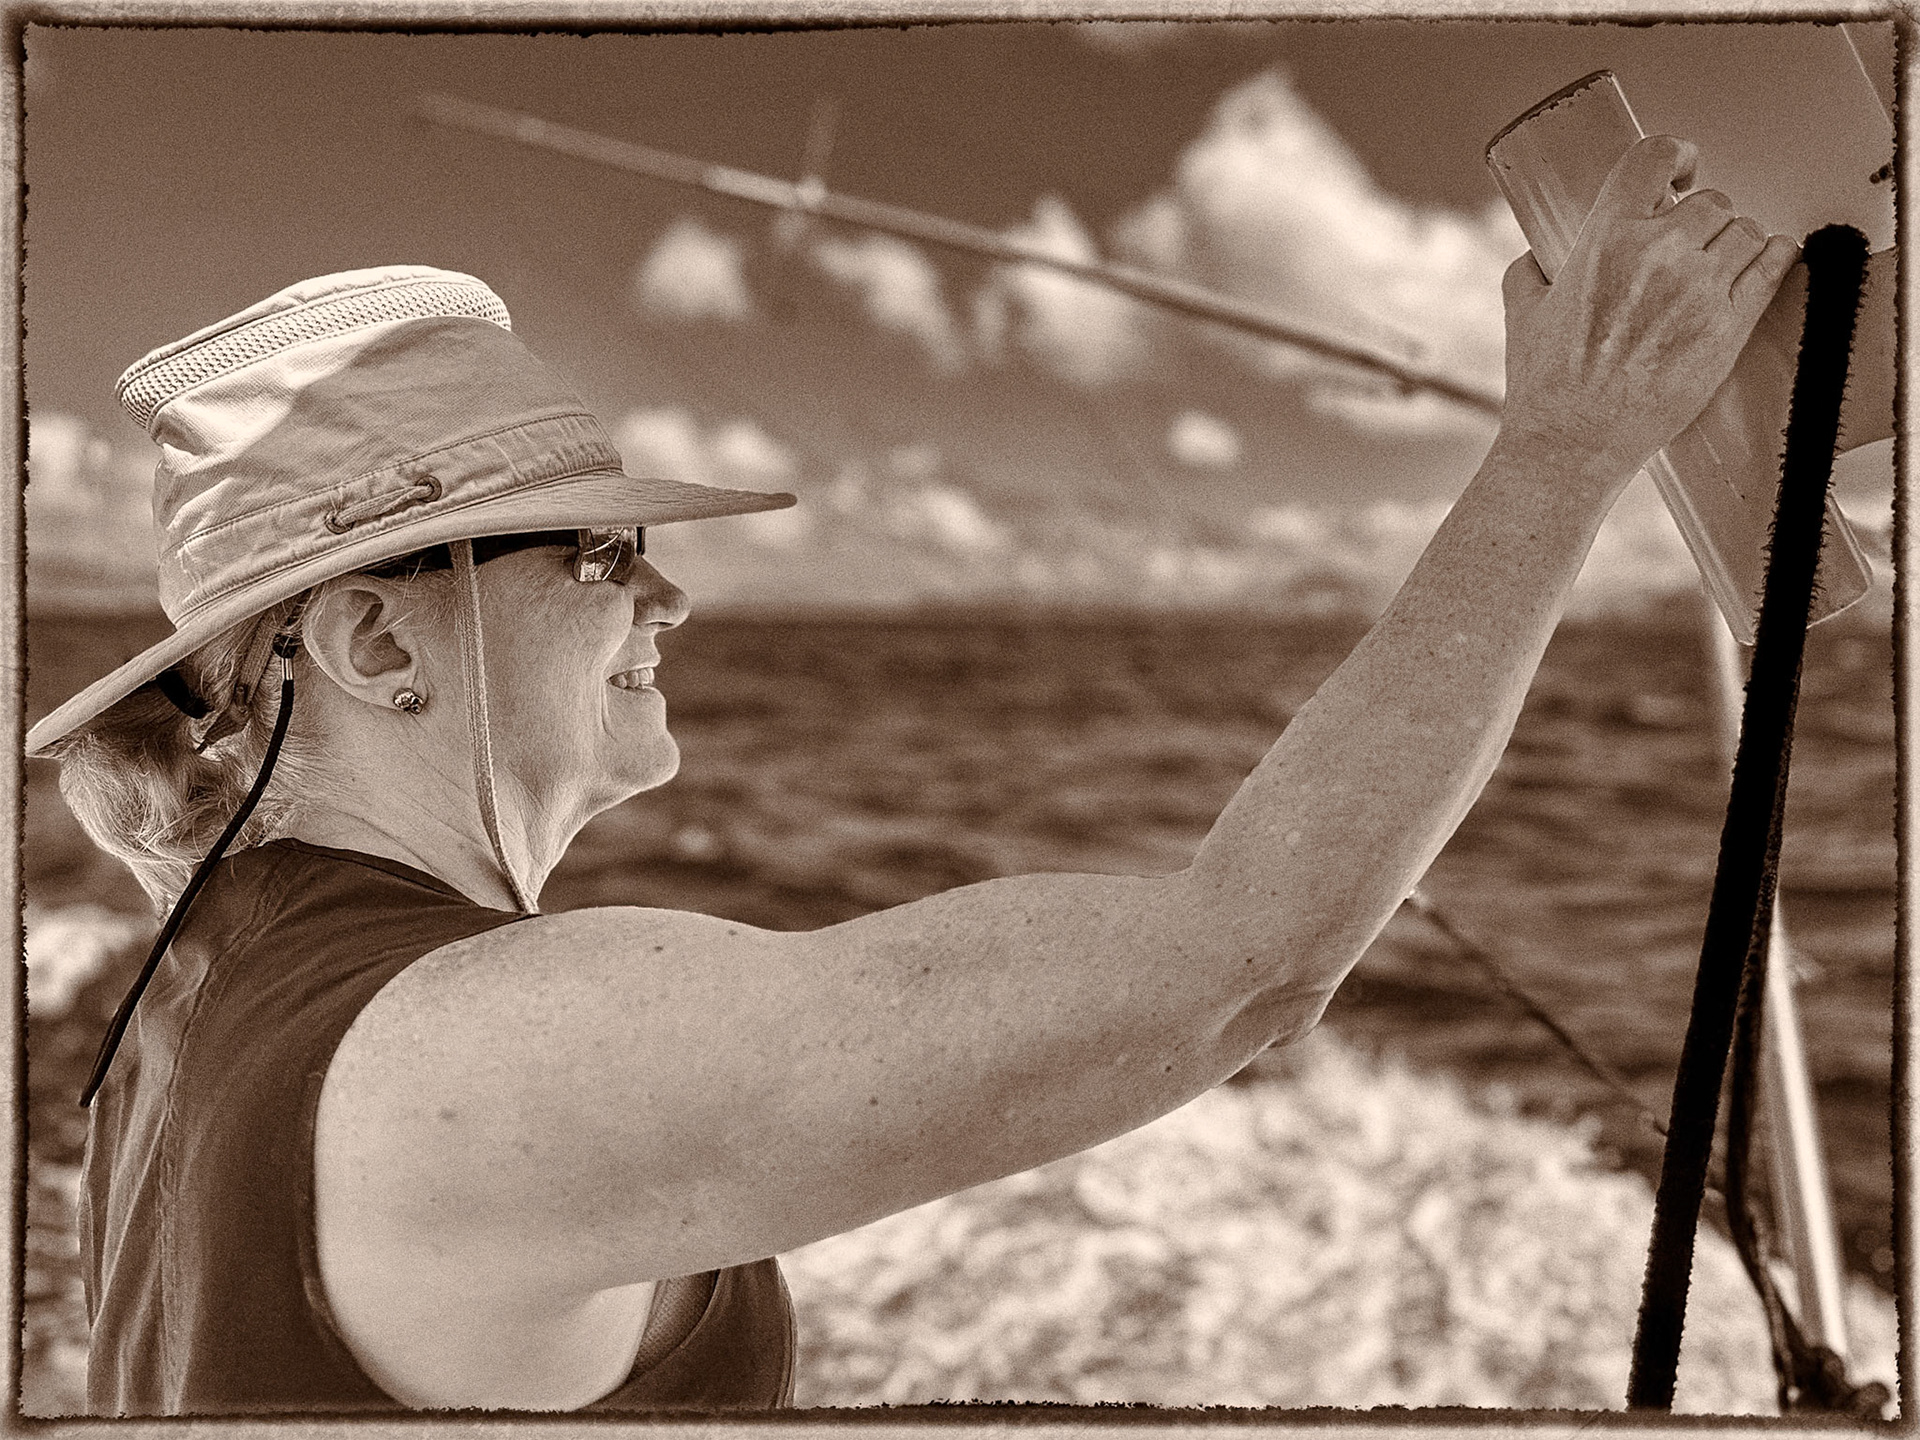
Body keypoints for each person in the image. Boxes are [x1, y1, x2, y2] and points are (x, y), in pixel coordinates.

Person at [30, 134, 1796, 1415]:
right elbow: (1246, 960)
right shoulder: (478, 1049)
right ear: (380, 648)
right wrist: (1567, 444)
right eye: (592, 555)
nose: (669, 594)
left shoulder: (189, 990)